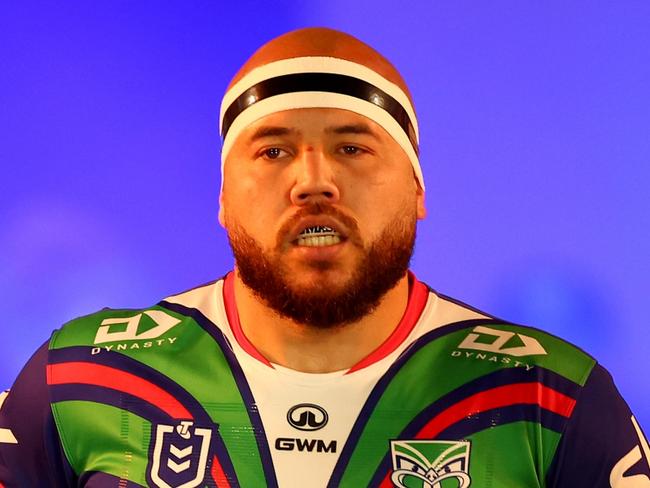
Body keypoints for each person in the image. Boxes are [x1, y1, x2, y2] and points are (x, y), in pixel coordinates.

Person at [0, 27, 648, 488]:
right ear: (224, 198)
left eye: (352, 148)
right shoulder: (81, 381)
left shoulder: (551, 399)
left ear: (418, 188)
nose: (313, 181)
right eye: (274, 150)